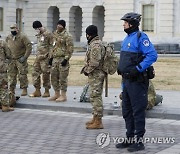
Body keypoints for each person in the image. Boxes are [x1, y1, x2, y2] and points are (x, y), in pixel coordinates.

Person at [116, 12, 158, 152]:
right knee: (127, 111)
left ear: (132, 24)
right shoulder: (126, 38)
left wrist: (138, 68)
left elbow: (152, 55)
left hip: (137, 82)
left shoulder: (141, 37)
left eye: (125, 22)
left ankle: (139, 141)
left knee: (137, 111)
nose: (124, 24)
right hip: (127, 82)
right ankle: (129, 138)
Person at [81, 25, 106, 129]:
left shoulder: (95, 45)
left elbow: (94, 62)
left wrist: (86, 70)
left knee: (96, 96)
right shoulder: (96, 43)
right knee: (94, 95)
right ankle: (95, 117)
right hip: (96, 74)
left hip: (96, 74)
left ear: (88, 34)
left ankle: (98, 121)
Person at [48, 20, 74, 102]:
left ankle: (63, 95)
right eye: (58, 24)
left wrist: (66, 59)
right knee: (53, 77)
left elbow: (70, 48)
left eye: (60, 25)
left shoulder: (67, 36)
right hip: (55, 59)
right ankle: (56, 93)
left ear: (63, 26)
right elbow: (52, 46)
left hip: (63, 59)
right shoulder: (54, 34)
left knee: (63, 78)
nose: (58, 26)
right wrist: (50, 57)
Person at [6, 24, 32, 96]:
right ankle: (11, 89)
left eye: (14, 30)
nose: (13, 32)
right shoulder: (9, 37)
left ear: (17, 29)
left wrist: (25, 57)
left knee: (22, 75)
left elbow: (29, 47)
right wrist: (7, 57)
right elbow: (7, 47)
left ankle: (24, 89)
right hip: (12, 59)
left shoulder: (23, 37)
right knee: (12, 75)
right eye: (11, 30)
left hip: (20, 58)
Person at [29, 21, 53, 97]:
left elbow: (52, 46)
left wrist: (50, 57)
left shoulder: (48, 34)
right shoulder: (39, 35)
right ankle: (37, 90)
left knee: (45, 74)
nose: (36, 30)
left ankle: (46, 91)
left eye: (36, 28)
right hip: (38, 57)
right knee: (35, 73)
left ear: (39, 27)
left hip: (45, 58)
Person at [0, 37, 14, 112]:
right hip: (1, 70)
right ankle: (5, 106)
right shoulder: (2, 43)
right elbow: (9, 55)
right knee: (3, 87)